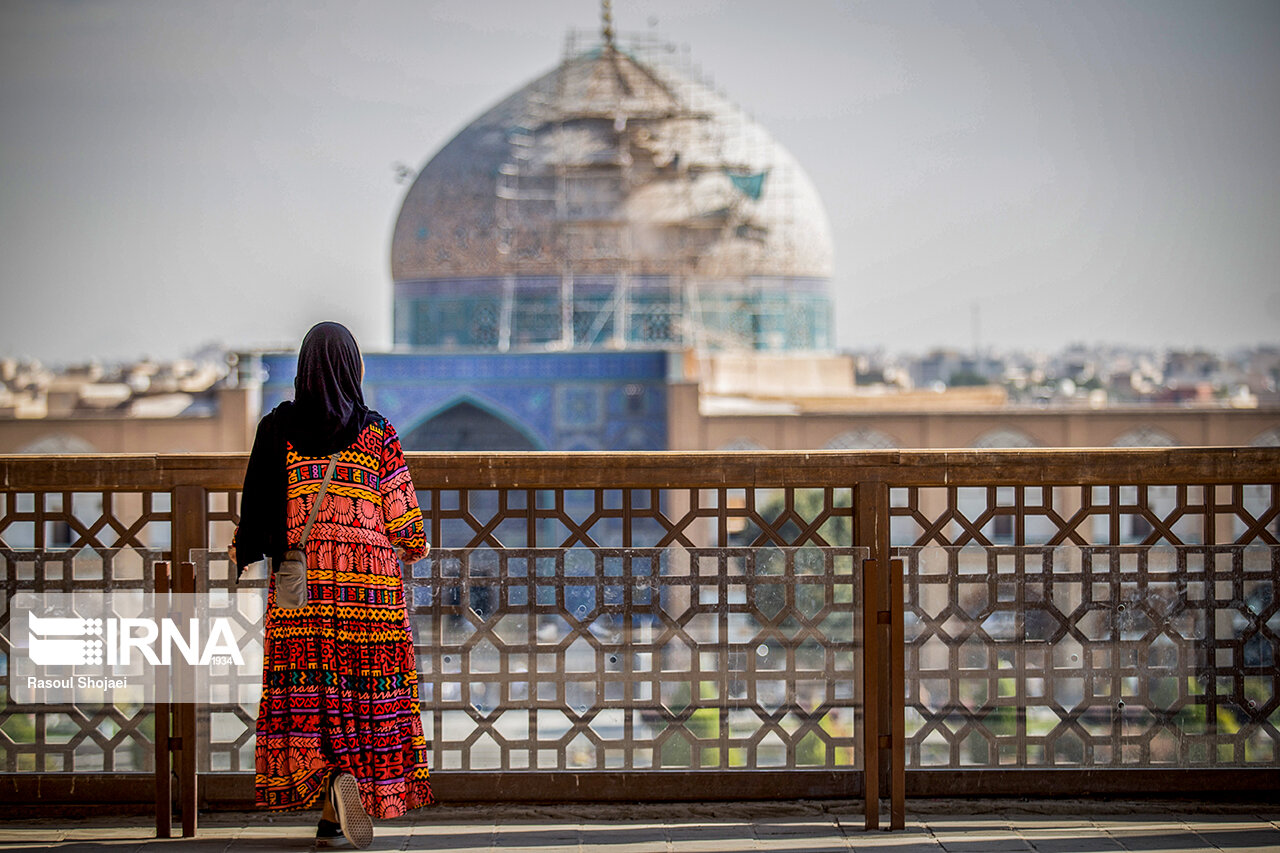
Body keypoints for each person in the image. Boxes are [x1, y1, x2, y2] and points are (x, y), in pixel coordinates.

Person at [229, 322, 434, 849]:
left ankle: (329, 797)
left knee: (311, 696)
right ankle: (343, 796)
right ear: (352, 369)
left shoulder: (277, 430)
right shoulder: (377, 434)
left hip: (302, 594)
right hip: (370, 597)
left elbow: (256, 511)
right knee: (365, 699)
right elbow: (407, 528)